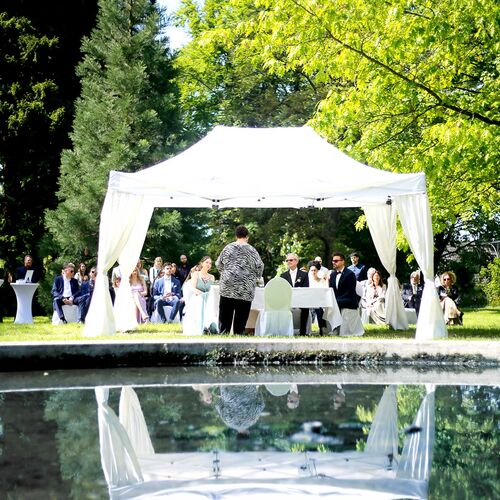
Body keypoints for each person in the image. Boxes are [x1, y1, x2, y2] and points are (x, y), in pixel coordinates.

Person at [216, 225, 264, 334]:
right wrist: (254, 277)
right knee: (241, 317)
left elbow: (218, 264)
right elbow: (260, 267)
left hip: (228, 287)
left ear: (236, 236)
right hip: (245, 289)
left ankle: (223, 334)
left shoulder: (228, 248)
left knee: (225, 316)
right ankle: (238, 334)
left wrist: (226, 274)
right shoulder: (252, 250)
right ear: (247, 237)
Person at [182, 256, 218, 335]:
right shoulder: (196, 274)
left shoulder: (212, 277)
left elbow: (211, 291)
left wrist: (207, 295)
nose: (208, 264)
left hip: (208, 299)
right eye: (206, 262)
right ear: (202, 263)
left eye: (210, 263)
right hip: (197, 297)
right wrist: (202, 294)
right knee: (200, 300)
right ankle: (201, 327)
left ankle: (209, 327)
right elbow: (193, 288)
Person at [280, 253, 309, 335]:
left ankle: (302, 331)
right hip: (287, 300)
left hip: (300, 300)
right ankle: (285, 331)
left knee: (305, 307)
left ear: (296, 261)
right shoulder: (283, 275)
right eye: (287, 260)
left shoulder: (304, 275)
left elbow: (306, 289)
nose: (289, 262)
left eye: (291, 260)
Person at [308, 261, 328, 335]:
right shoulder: (308, 281)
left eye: (315, 270)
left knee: (319, 308)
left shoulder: (322, 280)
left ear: (318, 271)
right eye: (311, 270)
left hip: (320, 301)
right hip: (309, 301)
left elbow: (326, 290)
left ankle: (322, 328)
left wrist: (326, 280)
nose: (313, 272)